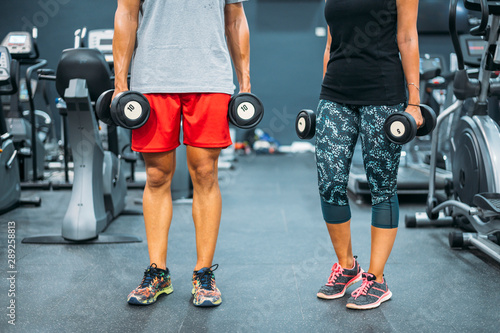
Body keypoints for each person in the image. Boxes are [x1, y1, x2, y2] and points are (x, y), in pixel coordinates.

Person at [113, 0, 250, 307]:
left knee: (205, 173)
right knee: (156, 175)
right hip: (153, 77)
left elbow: (235, 18)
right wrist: (120, 84)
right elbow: (126, 13)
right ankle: (158, 272)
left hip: (210, 77)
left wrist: (245, 82)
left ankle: (203, 273)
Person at [315, 0, 422, 310]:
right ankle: (347, 267)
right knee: (330, 182)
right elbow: (331, 41)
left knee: (382, 186)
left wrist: (413, 103)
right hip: (336, 94)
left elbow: (407, 36)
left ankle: (376, 279)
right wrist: (324, 90)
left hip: (383, 93)